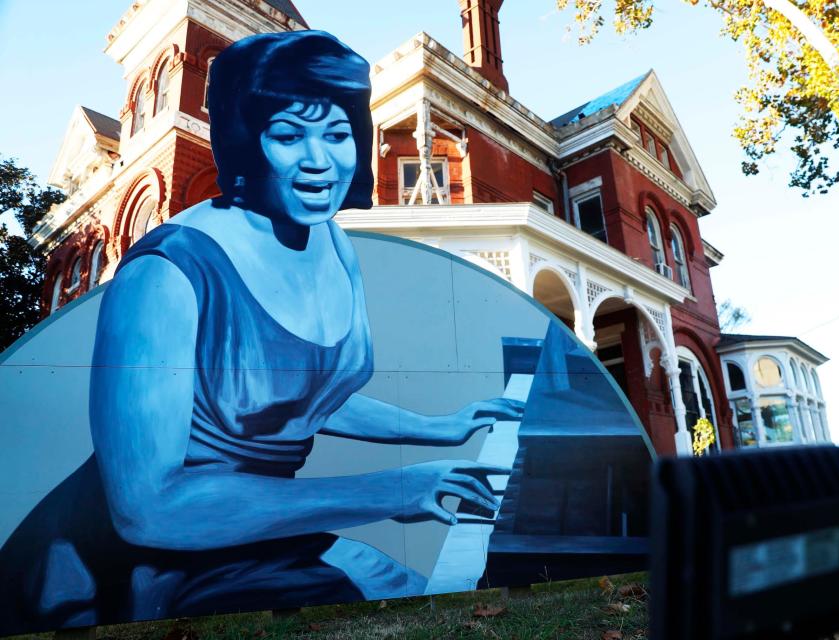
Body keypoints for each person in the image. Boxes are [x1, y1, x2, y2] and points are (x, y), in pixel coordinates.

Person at [0, 30, 521, 634]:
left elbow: (304, 400)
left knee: (399, 595)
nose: (320, 160)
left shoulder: (329, 239)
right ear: (248, 141)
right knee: (391, 596)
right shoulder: (167, 274)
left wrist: (440, 429)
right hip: (120, 572)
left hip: (245, 526)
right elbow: (147, 509)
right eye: (289, 134)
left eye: (336, 133)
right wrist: (388, 490)